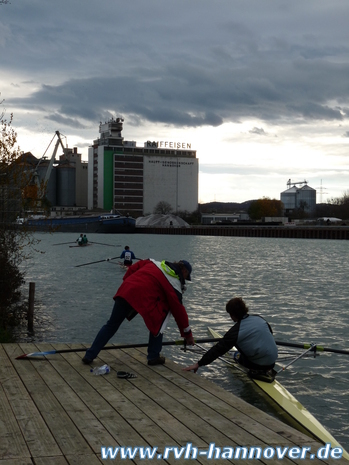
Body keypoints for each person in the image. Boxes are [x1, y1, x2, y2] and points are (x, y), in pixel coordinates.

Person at [82, 258, 195, 365]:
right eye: (186, 277)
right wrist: (188, 335)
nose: (185, 280)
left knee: (111, 325)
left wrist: (129, 284)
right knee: (159, 322)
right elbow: (179, 312)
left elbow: (132, 269)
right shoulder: (174, 284)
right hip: (140, 296)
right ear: (184, 271)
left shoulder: (154, 262)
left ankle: (89, 355)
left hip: (125, 290)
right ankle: (153, 356)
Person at [183, 297, 278, 377]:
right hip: (273, 361)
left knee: (237, 356)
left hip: (255, 364)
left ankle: (251, 365)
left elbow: (217, 350)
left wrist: (198, 364)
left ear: (232, 314)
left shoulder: (235, 332)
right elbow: (270, 333)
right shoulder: (259, 318)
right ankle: (266, 368)